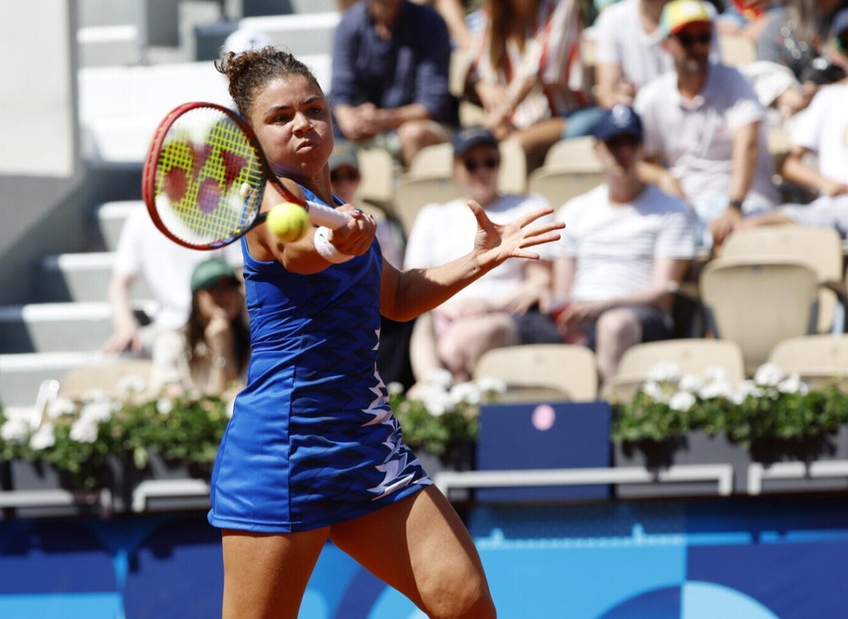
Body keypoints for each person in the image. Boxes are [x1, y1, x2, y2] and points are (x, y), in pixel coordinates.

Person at [210, 46, 561, 617]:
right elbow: (295, 250)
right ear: (251, 139)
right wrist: (332, 244)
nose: (302, 124)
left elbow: (395, 298)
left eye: (314, 109)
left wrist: (481, 258)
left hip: (365, 446)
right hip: (284, 450)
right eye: (280, 117)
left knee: (467, 603)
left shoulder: (337, 206)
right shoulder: (269, 202)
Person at [404, 126, 563, 385]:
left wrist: (491, 306)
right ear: (455, 169)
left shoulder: (528, 207)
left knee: (457, 344)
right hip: (444, 316)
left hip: (509, 316)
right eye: (471, 164)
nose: (482, 171)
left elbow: (541, 281)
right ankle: (432, 391)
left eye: (490, 162)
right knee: (422, 325)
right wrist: (449, 308)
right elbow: (414, 281)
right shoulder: (433, 216)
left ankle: (441, 394)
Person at [741, 7, 848, 244]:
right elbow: (789, 164)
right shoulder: (828, 98)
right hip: (829, 209)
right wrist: (828, 185)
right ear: (837, 52)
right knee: (746, 229)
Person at [549, 105, 697, 381]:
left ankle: (607, 404)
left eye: (631, 142)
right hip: (581, 314)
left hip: (640, 315)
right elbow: (561, 292)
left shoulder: (672, 210)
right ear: (597, 149)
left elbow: (663, 294)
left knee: (613, 324)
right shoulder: (575, 210)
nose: (623, 151)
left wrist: (603, 305)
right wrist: (567, 314)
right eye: (614, 143)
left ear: (642, 148)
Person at [634, 0, 780, 251]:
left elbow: (748, 147)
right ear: (666, 44)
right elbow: (637, 162)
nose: (697, 47)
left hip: (748, 202)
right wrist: (662, 177)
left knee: (729, 238)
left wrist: (734, 206)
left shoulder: (736, 81)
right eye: (686, 39)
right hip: (688, 207)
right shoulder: (652, 98)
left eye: (704, 37)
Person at [465, 0, 592, 170]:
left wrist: (496, 117)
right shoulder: (492, 14)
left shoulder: (563, 7)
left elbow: (535, 72)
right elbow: (474, 72)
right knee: (474, 148)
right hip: (512, 120)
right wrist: (483, 86)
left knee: (513, 147)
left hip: (563, 116)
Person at [329, 145, 417, 389]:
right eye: (335, 176)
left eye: (350, 175)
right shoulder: (312, 223)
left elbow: (390, 278)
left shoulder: (380, 224)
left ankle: (396, 385)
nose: (344, 183)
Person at [329, 0, 457, 167]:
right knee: (324, 133)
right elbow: (340, 92)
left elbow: (431, 105)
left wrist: (383, 119)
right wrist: (349, 120)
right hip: (365, 127)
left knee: (413, 134)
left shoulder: (430, 23)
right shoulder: (349, 24)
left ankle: (416, 184)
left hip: (419, 125)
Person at [102, 206, 240, 357]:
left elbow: (242, 275)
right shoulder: (140, 218)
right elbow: (119, 285)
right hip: (169, 329)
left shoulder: (225, 211)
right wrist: (125, 327)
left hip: (222, 325)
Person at [150, 257, 249, 397]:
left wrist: (224, 348)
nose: (223, 295)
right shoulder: (171, 340)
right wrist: (220, 353)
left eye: (229, 287)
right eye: (213, 288)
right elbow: (166, 396)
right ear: (197, 297)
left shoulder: (256, 343)